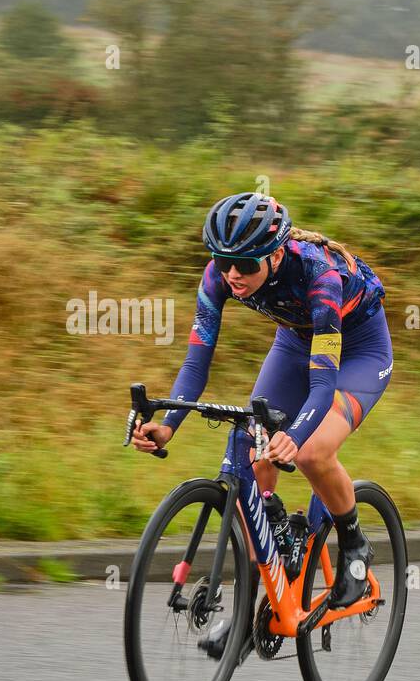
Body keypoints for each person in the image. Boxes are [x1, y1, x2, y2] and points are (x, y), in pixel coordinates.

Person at [130, 192, 393, 652]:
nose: (233, 274)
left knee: (311, 450)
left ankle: (353, 547)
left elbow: (324, 384)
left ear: (274, 255)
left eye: (246, 264)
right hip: (295, 343)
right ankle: (259, 604)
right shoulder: (219, 276)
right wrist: (170, 424)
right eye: (224, 260)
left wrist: (294, 435)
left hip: (357, 351)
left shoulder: (321, 276)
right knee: (253, 450)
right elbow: (196, 365)